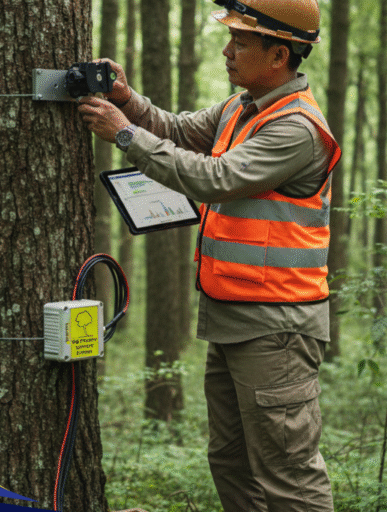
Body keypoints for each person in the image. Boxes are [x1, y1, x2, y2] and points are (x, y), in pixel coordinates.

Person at [78, 0, 340, 510]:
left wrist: (124, 134)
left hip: (276, 326)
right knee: (230, 460)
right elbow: (176, 131)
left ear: (278, 55)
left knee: (287, 473)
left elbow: (214, 179)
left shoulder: (296, 129)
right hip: (232, 316)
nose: (228, 51)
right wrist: (127, 100)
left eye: (241, 42)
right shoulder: (240, 108)